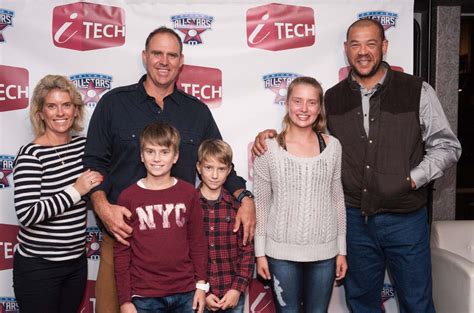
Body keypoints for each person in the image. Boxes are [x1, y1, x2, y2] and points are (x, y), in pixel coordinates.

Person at [253, 19, 462, 313]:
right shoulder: (332, 99)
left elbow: (447, 146)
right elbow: (307, 135)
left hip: (405, 219)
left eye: (371, 43)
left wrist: (413, 179)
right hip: (354, 222)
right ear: (346, 50)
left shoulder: (416, 90)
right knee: (361, 303)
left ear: (384, 47)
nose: (363, 51)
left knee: (417, 302)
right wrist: (269, 136)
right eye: (355, 44)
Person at [83, 26, 256, 312]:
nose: (164, 61)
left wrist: (245, 198)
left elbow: (221, 163)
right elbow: (93, 163)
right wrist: (102, 207)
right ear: (144, 56)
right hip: (123, 238)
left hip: (178, 251)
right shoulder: (113, 103)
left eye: (171, 55)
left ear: (181, 61)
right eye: (157, 53)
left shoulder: (196, 111)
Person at [253, 76, 347, 313]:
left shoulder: (333, 146)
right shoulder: (268, 148)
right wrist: (260, 254)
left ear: (319, 107)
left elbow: (337, 200)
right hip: (280, 254)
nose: (304, 109)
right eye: (297, 101)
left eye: (311, 102)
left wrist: (341, 250)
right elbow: (261, 206)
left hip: (324, 253)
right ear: (287, 104)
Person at [12, 75, 103, 313]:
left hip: (75, 263)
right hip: (38, 268)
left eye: (66, 105)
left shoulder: (82, 147)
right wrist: (76, 190)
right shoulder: (31, 155)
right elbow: (27, 214)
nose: (60, 112)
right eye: (51, 106)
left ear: (75, 110)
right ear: (41, 113)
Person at [114, 122, 207, 313]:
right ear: (141, 155)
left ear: (176, 157)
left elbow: (197, 242)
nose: (157, 159)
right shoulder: (128, 197)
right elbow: (122, 252)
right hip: (145, 297)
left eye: (164, 152)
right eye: (150, 151)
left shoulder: (188, 193)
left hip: (186, 292)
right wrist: (125, 300)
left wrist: (201, 286)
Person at [196, 139, 254, 313]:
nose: (214, 175)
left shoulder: (238, 208)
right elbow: (184, 254)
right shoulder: (189, 207)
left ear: (229, 170)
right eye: (208, 168)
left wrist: (237, 288)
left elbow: (247, 252)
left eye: (221, 169)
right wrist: (202, 291)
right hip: (200, 294)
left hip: (233, 293)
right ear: (199, 167)